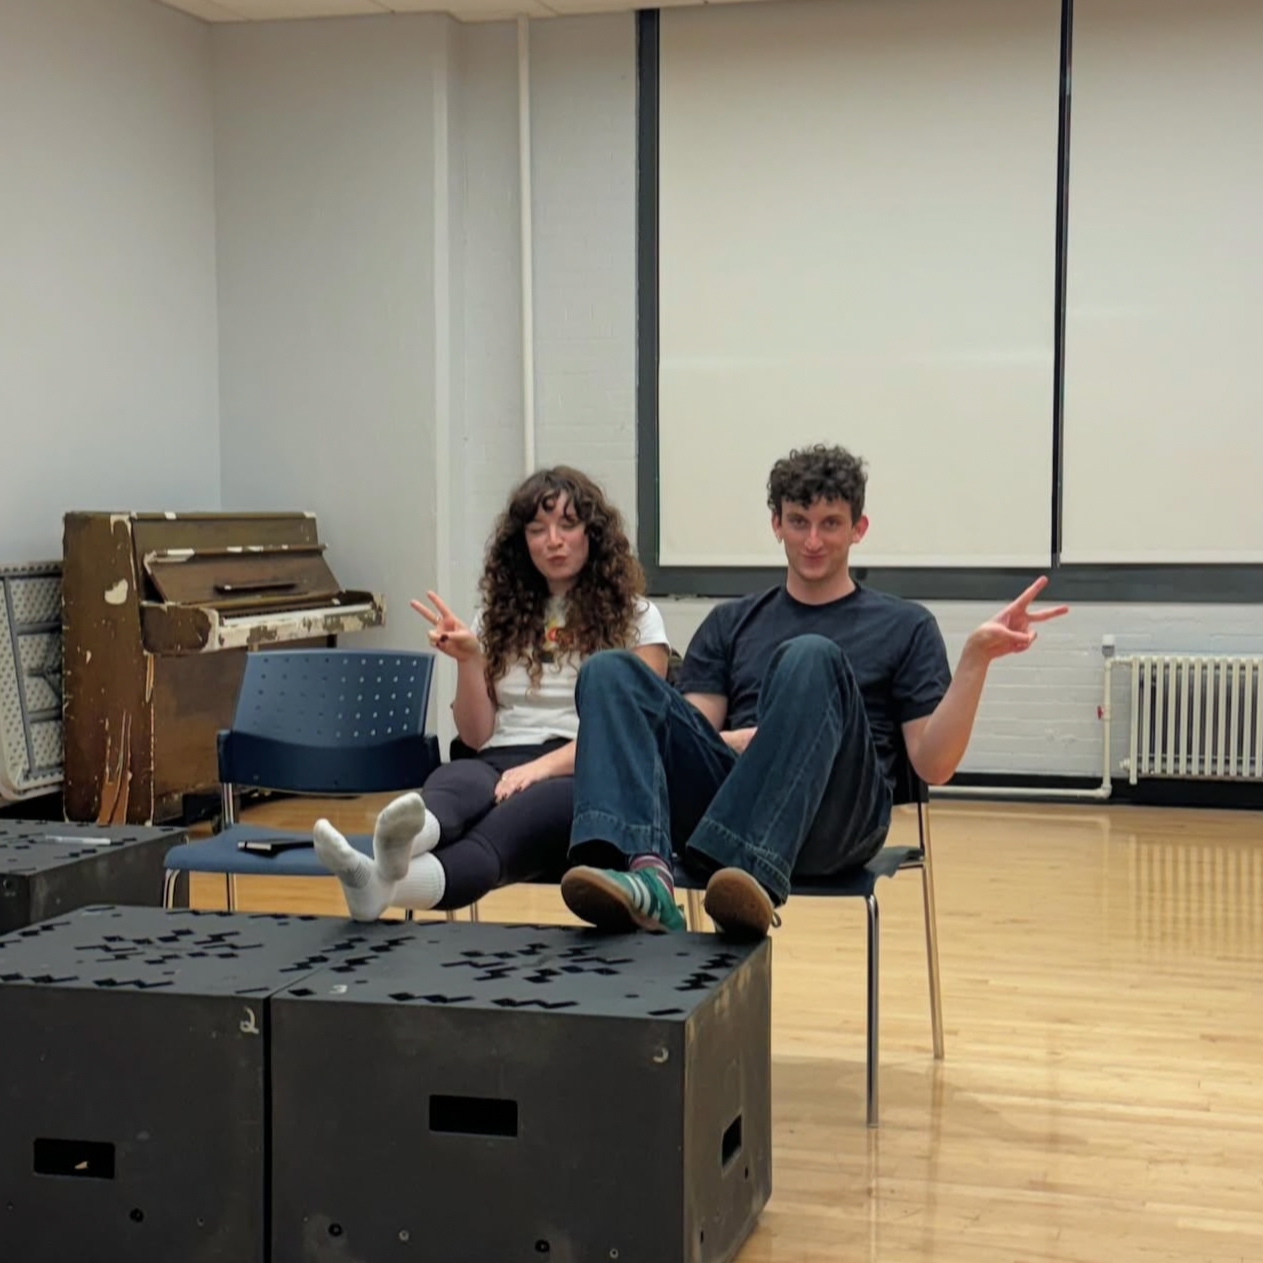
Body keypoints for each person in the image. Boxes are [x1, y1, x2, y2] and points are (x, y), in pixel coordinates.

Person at [558, 443, 1069, 939]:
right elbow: (693, 733)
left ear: (858, 528)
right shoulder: (730, 623)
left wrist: (975, 661)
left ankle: (751, 875)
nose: (813, 541)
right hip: (726, 812)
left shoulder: (905, 626)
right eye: (799, 522)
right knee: (610, 670)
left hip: (836, 820)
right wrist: (761, 740)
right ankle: (648, 875)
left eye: (830, 524)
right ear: (776, 524)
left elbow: (933, 765)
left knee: (811, 656)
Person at [312, 466, 669, 921]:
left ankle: (376, 877)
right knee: (451, 786)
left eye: (568, 525)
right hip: (501, 757)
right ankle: (380, 874)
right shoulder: (495, 617)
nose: (552, 541)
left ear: (593, 534)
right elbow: (478, 737)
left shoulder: (639, 618)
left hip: (584, 770)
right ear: (522, 542)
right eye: (537, 530)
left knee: (499, 830)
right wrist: (468, 660)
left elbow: (637, 736)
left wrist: (539, 769)